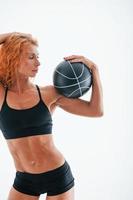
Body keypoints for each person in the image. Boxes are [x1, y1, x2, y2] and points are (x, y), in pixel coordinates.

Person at [0, 32, 103, 200]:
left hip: (57, 176)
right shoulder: (1, 94)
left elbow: (95, 111)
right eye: (31, 57)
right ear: (13, 58)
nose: (38, 63)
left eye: (38, 57)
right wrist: (16, 35)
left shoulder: (49, 93)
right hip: (25, 180)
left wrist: (94, 69)